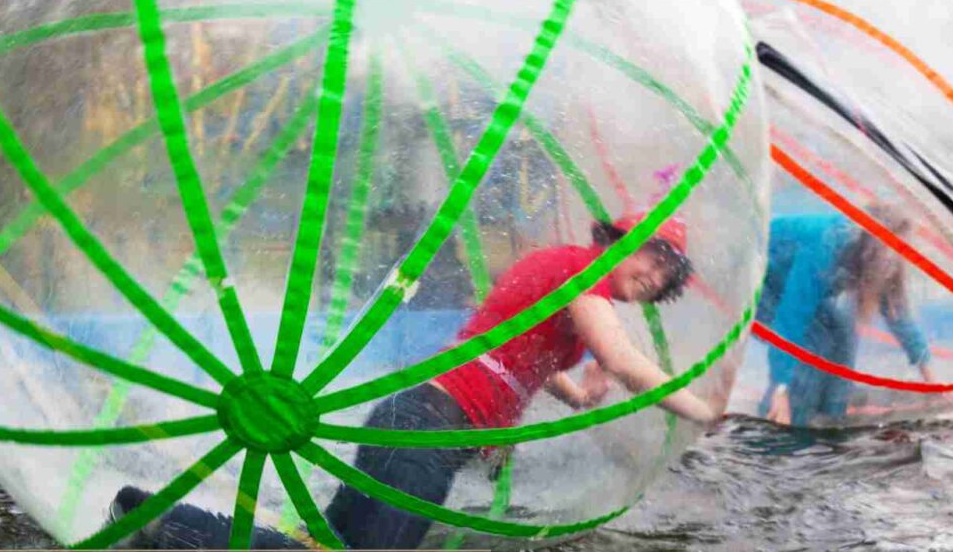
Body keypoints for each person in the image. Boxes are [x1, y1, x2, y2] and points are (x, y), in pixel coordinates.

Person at [108, 214, 726, 550]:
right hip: (429, 431)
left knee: (327, 544)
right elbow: (620, 359)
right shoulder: (579, 274)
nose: (653, 272)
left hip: (415, 416)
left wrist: (582, 388)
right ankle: (161, 525)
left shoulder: (564, 277)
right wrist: (700, 407)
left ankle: (158, 523)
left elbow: (524, 360)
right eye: (650, 252)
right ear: (618, 241)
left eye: (666, 272)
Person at [759, 207, 935, 427]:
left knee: (844, 332)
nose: (894, 262)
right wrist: (781, 388)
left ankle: (832, 414)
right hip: (757, 278)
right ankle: (779, 418)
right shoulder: (825, 247)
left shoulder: (880, 259)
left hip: (787, 282)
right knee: (812, 342)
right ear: (871, 246)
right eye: (889, 255)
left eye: (900, 254)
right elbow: (792, 318)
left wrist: (932, 382)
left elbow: (898, 316)